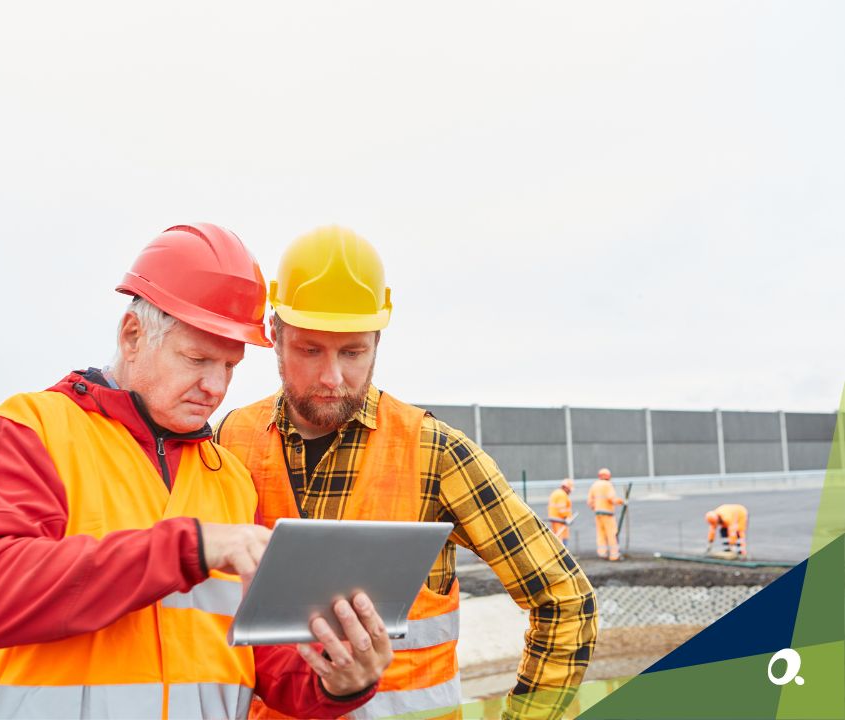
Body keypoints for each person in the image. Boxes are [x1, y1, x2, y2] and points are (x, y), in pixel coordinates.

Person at [0, 224, 393, 720]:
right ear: (132, 335)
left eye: (230, 366)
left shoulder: (228, 480)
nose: (215, 387)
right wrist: (192, 547)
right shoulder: (30, 433)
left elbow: (263, 659)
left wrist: (337, 677)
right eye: (197, 359)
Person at [217, 226, 597, 720]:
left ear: (378, 340)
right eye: (310, 350)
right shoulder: (230, 439)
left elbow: (566, 601)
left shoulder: (435, 452)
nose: (332, 377)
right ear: (275, 333)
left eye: (353, 352)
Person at [586, 468, 625, 561]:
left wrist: (595, 507)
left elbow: (589, 502)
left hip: (598, 513)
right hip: (608, 514)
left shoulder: (594, 485)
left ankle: (602, 553)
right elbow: (611, 498)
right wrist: (621, 501)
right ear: (608, 476)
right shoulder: (608, 485)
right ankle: (614, 555)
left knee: (601, 534)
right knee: (612, 534)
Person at [547, 479, 576, 547]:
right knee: (561, 540)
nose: (570, 491)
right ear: (565, 487)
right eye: (569, 489)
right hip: (560, 520)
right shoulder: (561, 495)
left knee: (558, 537)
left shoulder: (557, 493)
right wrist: (568, 517)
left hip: (556, 519)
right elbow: (562, 510)